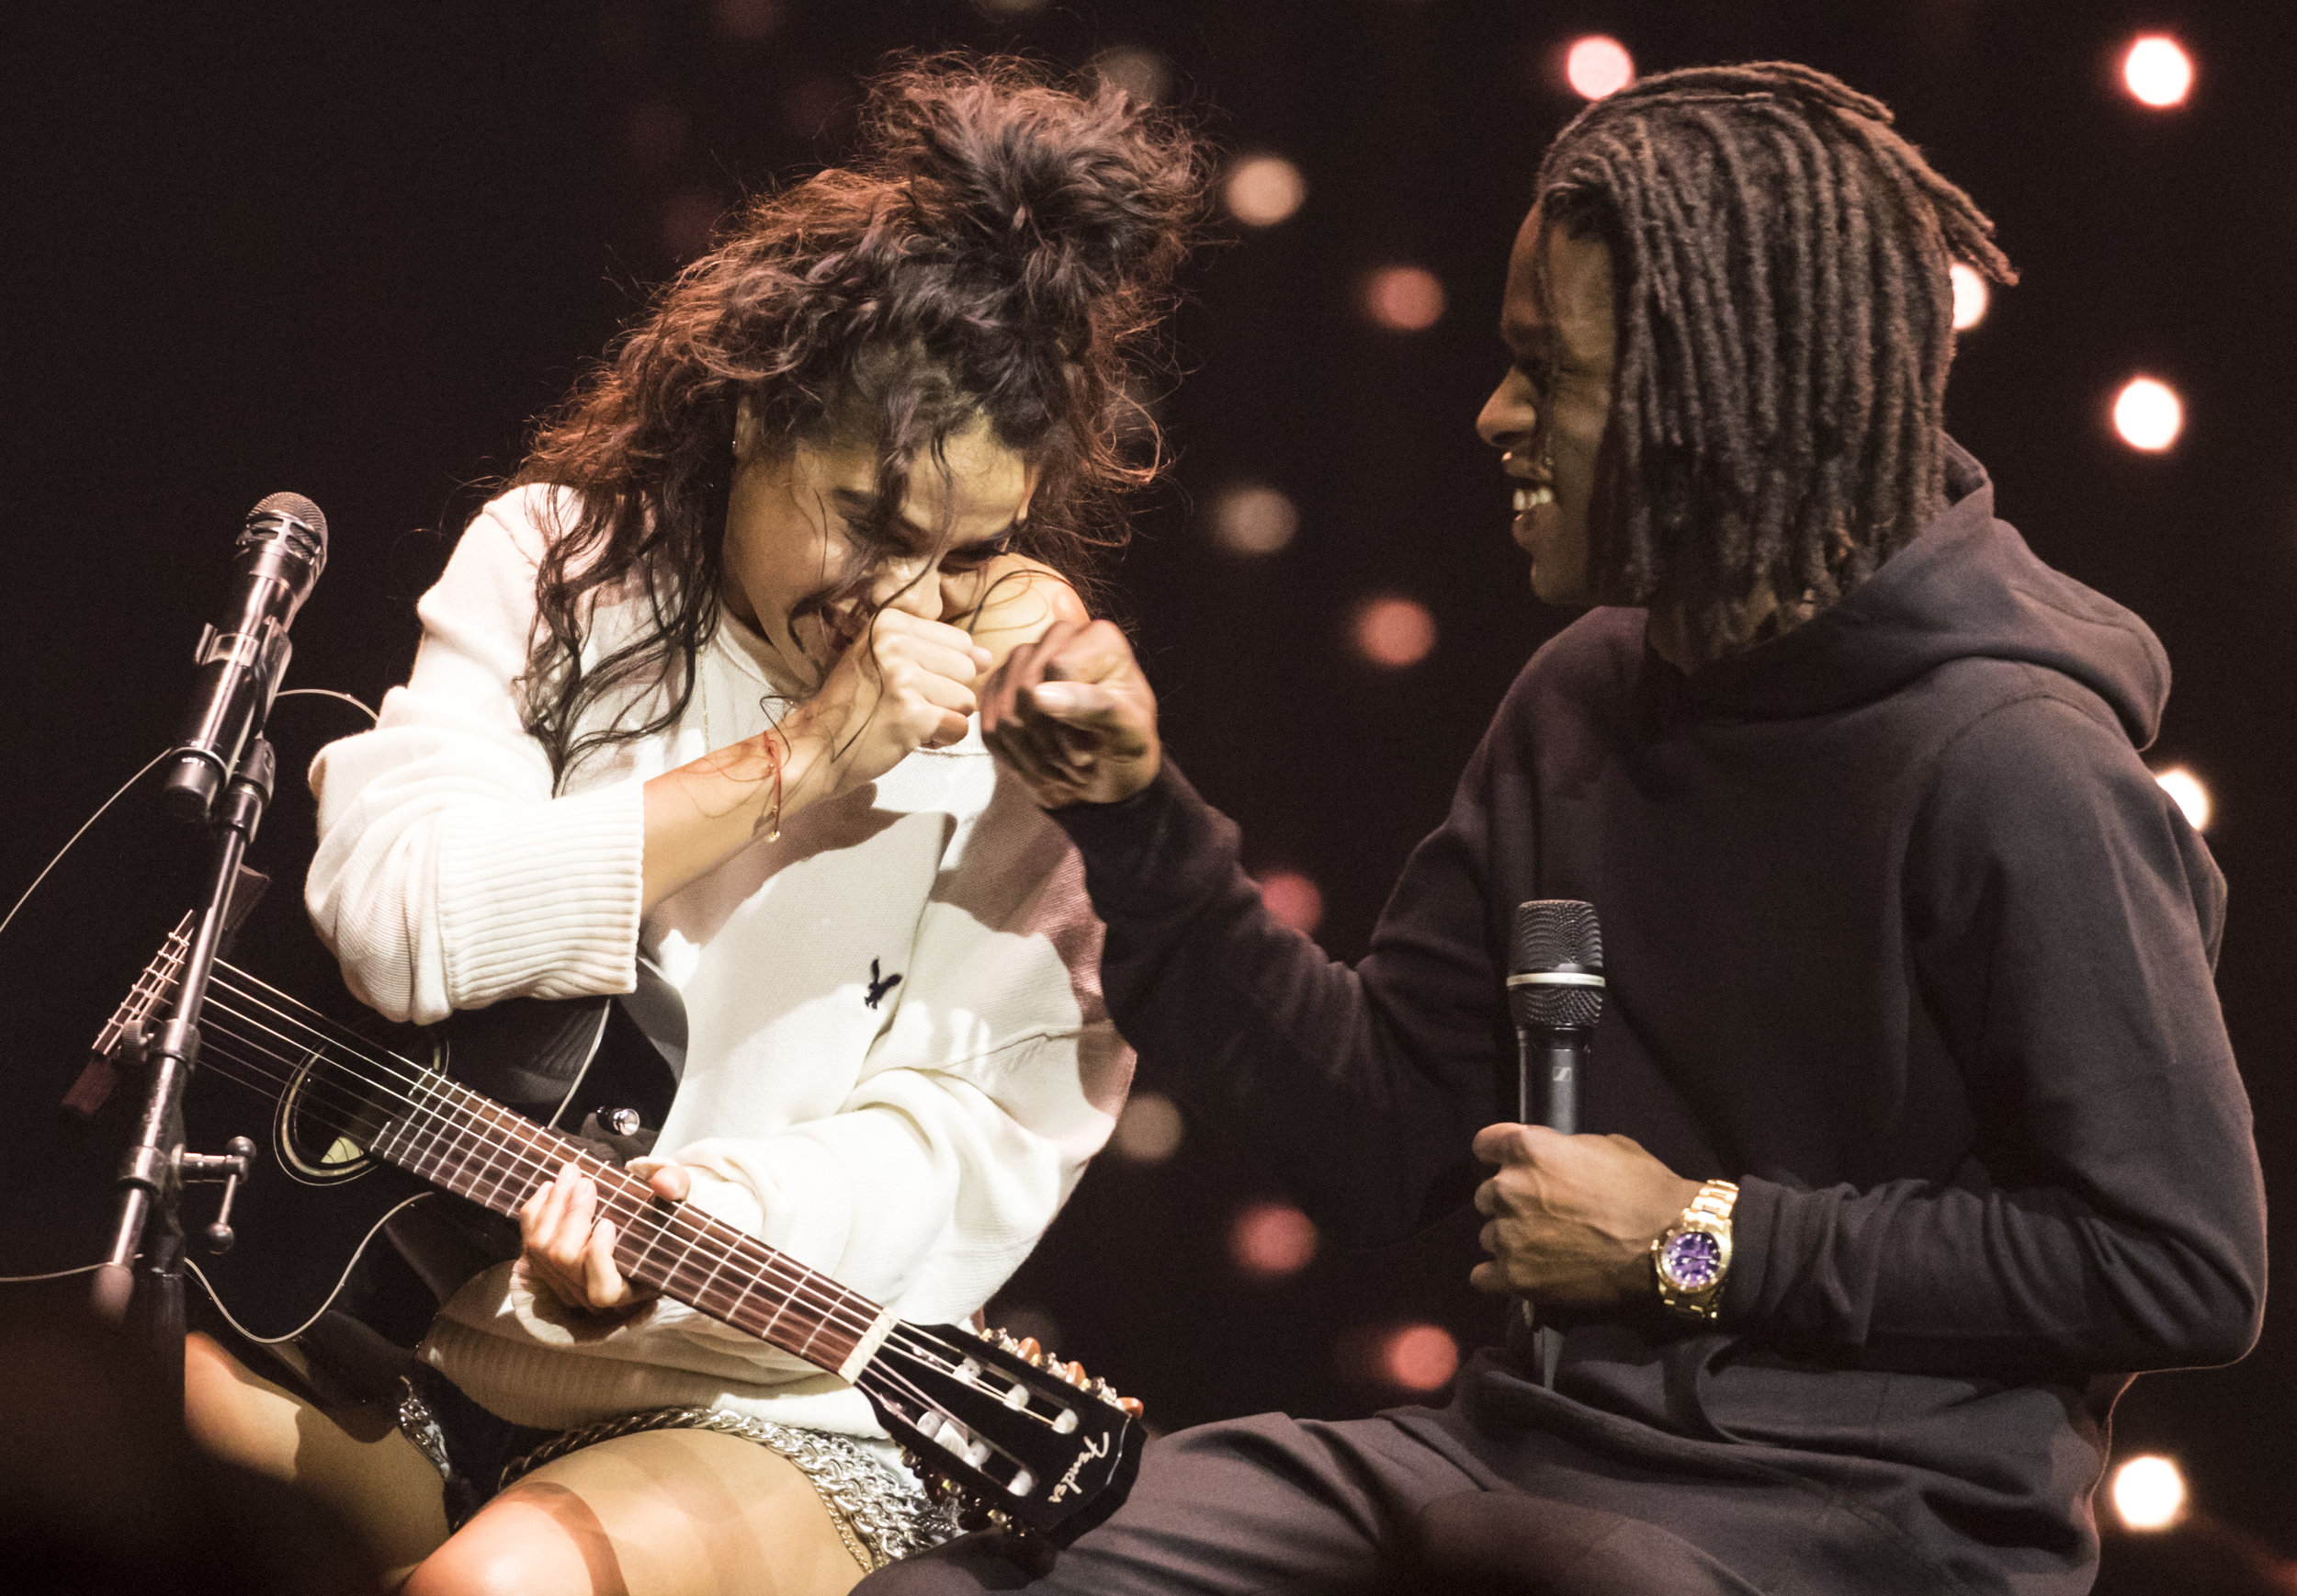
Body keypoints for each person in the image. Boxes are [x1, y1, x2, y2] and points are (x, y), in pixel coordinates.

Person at [864, 62, 2268, 1596]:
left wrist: (1701, 1238)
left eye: (1549, 370)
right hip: (1522, 1455)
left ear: (1713, 395)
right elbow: (1384, 1125)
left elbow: (2177, 1262)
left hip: (1856, 1523)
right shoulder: (1589, 688)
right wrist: (1129, 815)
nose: (1495, 415)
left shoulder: (2018, 763)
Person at [182, 59, 1202, 1596]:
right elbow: (400, 920)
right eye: (867, 519)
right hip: (401, 1336)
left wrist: (693, 1227)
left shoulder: (1023, 722)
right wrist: (801, 756)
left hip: (772, 1407)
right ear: (749, 422)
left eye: (965, 549)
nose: (902, 602)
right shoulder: (558, 561)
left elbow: (970, 1144)